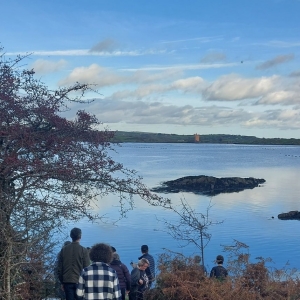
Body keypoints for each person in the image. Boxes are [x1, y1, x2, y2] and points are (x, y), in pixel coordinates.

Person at [58, 228, 90, 300]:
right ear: (80, 236)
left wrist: (62, 282)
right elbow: (87, 268)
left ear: (71, 236)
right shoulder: (83, 250)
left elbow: (60, 268)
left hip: (67, 281)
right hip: (80, 281)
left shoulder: (64, 249)